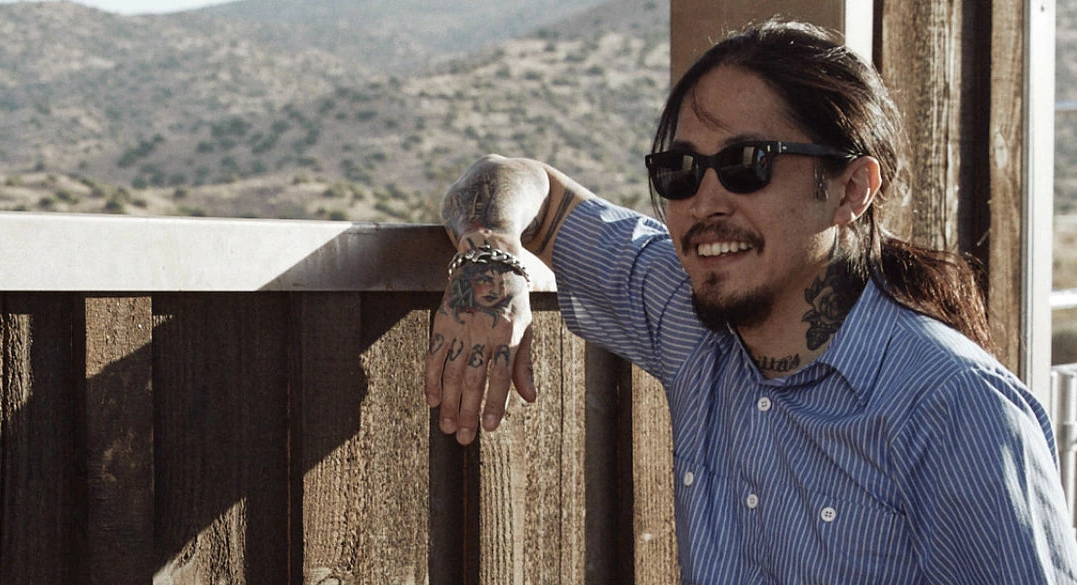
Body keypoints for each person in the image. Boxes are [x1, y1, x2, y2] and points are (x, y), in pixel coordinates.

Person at [424, 18, 1077, 584]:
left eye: (748, 162)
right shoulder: (682, 307)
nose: (705, 202)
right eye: (680, 172)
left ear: (851, 189)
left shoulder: (953, 407)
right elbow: (509, 181)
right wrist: (490, 257)